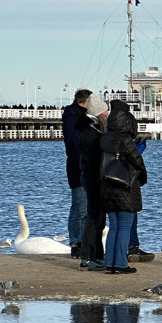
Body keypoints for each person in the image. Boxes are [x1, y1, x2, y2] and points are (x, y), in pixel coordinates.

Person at [99, 99, 148, 274]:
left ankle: (109, 263)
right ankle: (120, 263)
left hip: (107, 185)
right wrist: (142, 177)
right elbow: (137, 162)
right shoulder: (126, 140)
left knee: (114, 226)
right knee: (125, 226)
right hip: (126, 186)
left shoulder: (104, 139)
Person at [76, 95, 110, 270]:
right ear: (98, 112)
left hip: (90, 176)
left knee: (98, 218)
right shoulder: (92, 131)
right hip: (93, 177)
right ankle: (88, 257)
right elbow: (95, 156)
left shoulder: (89, 128)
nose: (107, 113)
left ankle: (96, 255)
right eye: (105, 110)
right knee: (94, 217)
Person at [62, 88, 92, 258]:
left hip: (81, 167)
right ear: (84, 101)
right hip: (79, 168)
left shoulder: (76, 114)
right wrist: (82, 165)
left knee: (84, 208)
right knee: (80, 207)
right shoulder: (74, 115)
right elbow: (73, 144)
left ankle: (81, 241)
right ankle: (76, 243)